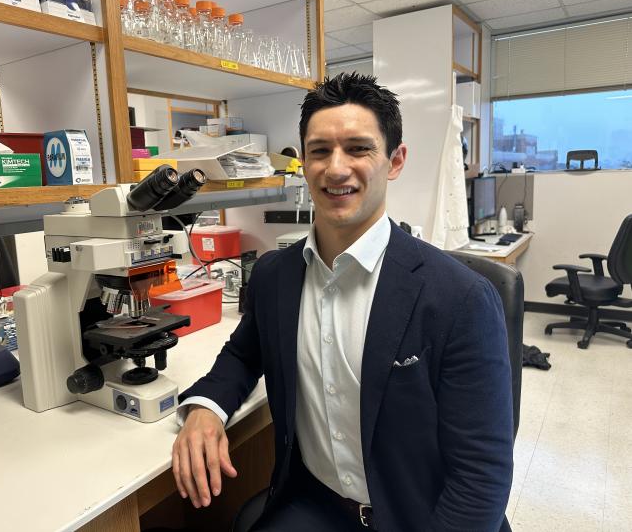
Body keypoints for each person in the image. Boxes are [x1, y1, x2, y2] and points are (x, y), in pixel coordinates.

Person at [172, 73, 514, 531]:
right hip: (316, 505)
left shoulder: (459, 298)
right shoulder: (274, 276)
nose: (336, 168)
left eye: (358, 148)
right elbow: (241, 355)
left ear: (395, 161)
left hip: (419, 516)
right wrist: (204, 409)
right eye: (319, 150)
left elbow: (482, 474)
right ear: (304, 163)